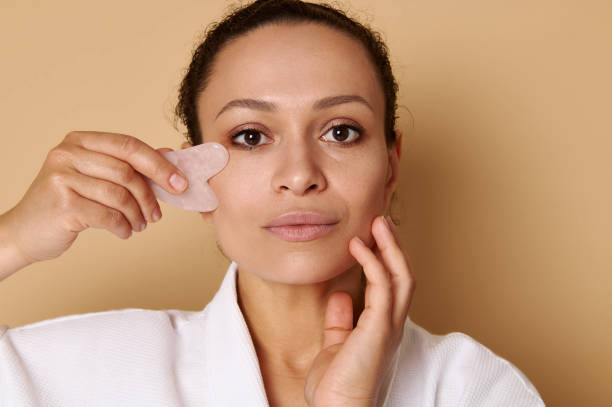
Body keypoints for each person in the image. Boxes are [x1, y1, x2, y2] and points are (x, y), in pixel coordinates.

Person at [0, 0, 546, 405]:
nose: (300, 176)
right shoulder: (83, 370)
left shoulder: (472, 387)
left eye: (341, 132)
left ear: (392, 164)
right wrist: (14, 239)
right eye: (251, 137)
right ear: (191, 176)